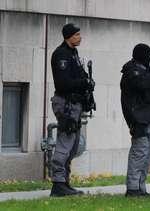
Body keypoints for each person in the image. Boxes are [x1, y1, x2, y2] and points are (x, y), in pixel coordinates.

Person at [50, 23, 95, 197]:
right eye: (77, 35)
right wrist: (82, 83)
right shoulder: (61, 54)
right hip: (66, 104)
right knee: (65, 142)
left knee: (73, 145)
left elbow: (80, 75)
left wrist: (88, 82)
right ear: (68, 36)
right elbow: (62, 83)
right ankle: (58, 183)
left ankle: (64, 182)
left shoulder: (73, 53)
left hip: (75, 105)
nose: (80, 37)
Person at [120, 43, 150, 196]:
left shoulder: (143, 71)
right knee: (139, 152)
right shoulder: (132, 72)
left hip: (148, 117)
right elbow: (142, 84)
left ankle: (140, 188)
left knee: (148, 154)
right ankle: (132, 188)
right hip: (138, 119)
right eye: (148, 55)